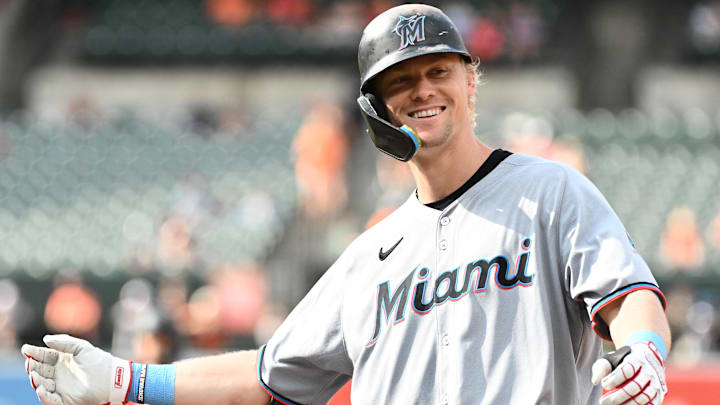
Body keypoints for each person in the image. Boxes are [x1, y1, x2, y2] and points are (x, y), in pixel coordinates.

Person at [22, 4, 671, 405]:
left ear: (471, 80)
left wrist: (644, 350)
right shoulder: (370, 254)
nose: (423, 89)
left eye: (438, 70)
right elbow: (269, 378)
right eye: (400, 81)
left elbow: (627, 296)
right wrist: (128, 382)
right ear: (376, 111)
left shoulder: (549, 191)